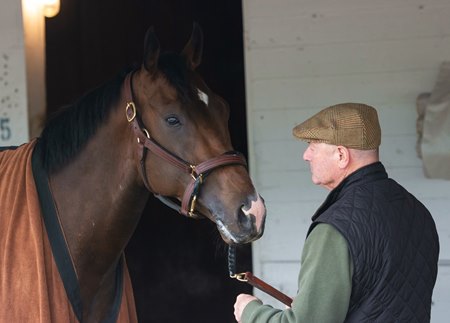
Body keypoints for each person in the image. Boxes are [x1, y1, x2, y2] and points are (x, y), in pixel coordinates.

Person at [234, 103, 440, 323]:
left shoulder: (335, 228)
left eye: (313, 145)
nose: (306, 155)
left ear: (341, 155)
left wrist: (251, 312)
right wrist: (315, 305)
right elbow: (383, 298)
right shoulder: (418, 212)